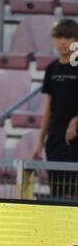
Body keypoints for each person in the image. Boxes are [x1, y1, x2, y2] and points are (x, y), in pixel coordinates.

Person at [33, 18, 78, 200]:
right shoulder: (52, 68)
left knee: (73, 194)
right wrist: (40, 141)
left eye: (68, 37)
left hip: (75, 140)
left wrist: (75, 121)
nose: (63, 42)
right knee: (57, 194)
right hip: (56, 140)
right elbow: (48, 107)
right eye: (59, 37)